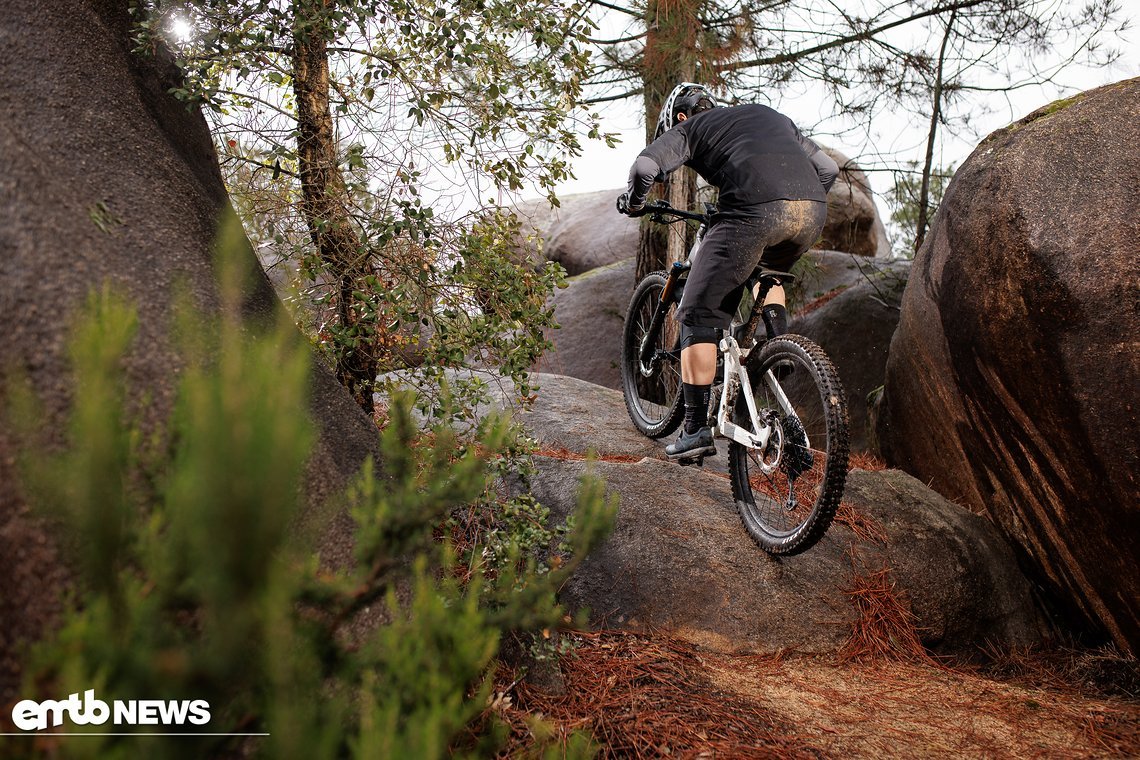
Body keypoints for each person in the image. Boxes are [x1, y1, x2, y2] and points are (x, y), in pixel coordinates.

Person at [617, 83, 838, 461]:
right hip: (811, 211)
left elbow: (645, 167)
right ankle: (776, 347)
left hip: (754, 212)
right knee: (768, 273)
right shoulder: (768, 115)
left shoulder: (690, 129)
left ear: (680, 117)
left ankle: (695, 429)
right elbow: (828, 168)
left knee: (697, 313)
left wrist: (635, 203)